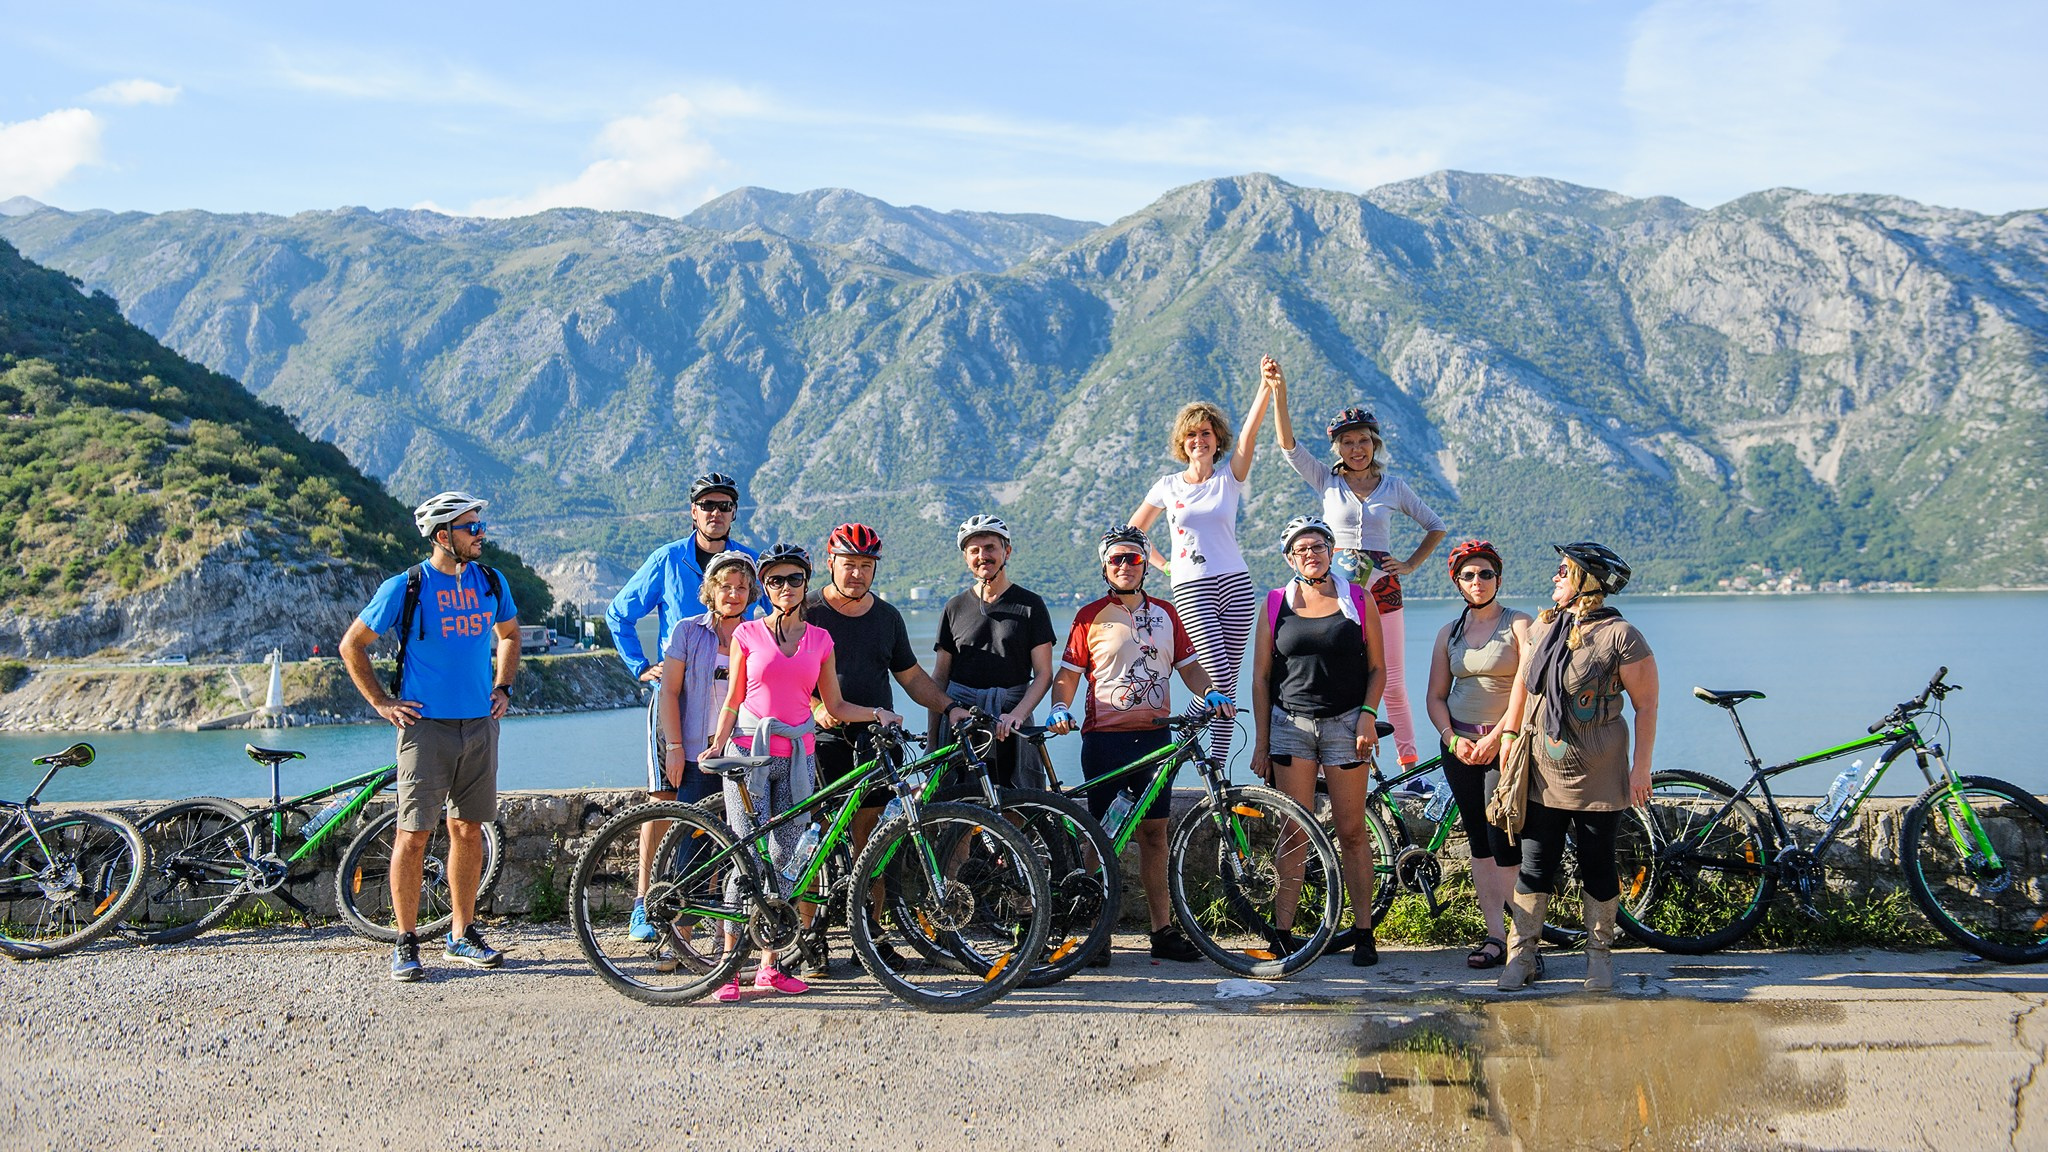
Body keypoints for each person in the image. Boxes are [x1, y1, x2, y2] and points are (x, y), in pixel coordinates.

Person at [704, 544, 903, 1001]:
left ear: (805, 583)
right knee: (746, 861)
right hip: (749, 756)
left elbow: (833, 706)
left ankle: (769, 968)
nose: (786, 587)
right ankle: (729, 967)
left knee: (789, 861)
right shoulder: (747, 635)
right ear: (765, 586)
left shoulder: (820, 640)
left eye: (794, 579)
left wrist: (877, 713)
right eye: (775, 580)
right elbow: (733, 699)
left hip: (798, 756)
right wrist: (717, 743)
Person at [339, 491, 519, 982]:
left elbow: (510, 634)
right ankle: (406, 940)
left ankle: (462, 935)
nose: (480, 534)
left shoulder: (490, 580)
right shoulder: (407, 586)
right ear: (443, 536)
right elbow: (352, 645)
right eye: (470, 527)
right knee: (413, 834)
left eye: (480, 525)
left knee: (467, 830)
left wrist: (503, 686)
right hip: (425, 729)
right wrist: (381, 702)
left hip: (479, 726)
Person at [1047, 525, 1235, 964]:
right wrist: (1059, 706)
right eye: (1117, 559)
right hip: (1104, 740)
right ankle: (1097, 932)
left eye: (1134, 558)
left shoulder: (1168, 613)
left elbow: (1189, 667)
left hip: (1155, 739)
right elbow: (1070, 674)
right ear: (1104, 565)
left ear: (1146, 563)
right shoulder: (1089, 615)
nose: (1126, 566)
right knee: (1103, 836)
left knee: (1155, 835)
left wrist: (1210, 691)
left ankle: (1162, 932)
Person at [803, 523, 972, 978]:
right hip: (818, 742)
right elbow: (780, 671)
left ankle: (870, 937)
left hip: (875, 743)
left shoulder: (888, 618)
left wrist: (950, 707)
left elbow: (913, 678)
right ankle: (811, 938)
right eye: (849, 563)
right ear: (830, 561)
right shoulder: (808, 611)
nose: (857, 573)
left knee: (871, 842)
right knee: (810, 841)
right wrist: (816, 706)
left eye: (866, 565)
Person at [1494, 542, 1658, 993]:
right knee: (1535, 862)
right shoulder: (1545, 626)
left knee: (1597, 862)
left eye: (1564, 571)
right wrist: (1509, 737)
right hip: (1545, 766)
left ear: (1586, 580)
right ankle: (1522, 955)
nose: (1555, 578)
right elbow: (1525, 690)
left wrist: (1641, 768)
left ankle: (1599, 958)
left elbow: (1647, 706)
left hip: (1600, 769)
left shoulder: (1622, 635)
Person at [1269, 358, 1447, 767]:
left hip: (1384, 588)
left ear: (1374, 444)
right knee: (1343, 676)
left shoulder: (1394, 486)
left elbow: (1435, 526)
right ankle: (1342, 757)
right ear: (1339, 448)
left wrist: (1411, 563)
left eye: (1363, 441)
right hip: (1336, 590)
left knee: (1395, 681)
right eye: (1348, 443)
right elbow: (1288, 446)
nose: (1357, 449)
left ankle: (1408, 765)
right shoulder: (1326, 481)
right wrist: (1279, 393)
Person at [1249, 516, 1387, 966]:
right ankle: (1283, 934)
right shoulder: (1275, 603)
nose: (1311, 553)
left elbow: (1378, 669)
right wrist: (1262, 743)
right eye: (1301, 548)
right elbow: (1262, 678)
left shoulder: (1358, 599)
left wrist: (1368, 716)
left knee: (1351, 830)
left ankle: (1364, 932)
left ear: (1331, 551)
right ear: (1290, 557)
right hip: (1291, 726)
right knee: (1294, 832)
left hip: (1347, 724)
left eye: (1318, 546)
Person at [1126, 369, 1274, 771]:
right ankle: (1179, 746)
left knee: (1228, 682)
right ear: (1183, 443)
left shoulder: (1229, 479)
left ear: (1216, 439)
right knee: (1217, 680)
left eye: (1206, 433)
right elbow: (1132, 531)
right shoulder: (1168, 486)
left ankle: (1217, 769)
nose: (1199, 440)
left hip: (1237, 586)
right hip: (1191, 587)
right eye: (1192, 435)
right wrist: (1163, 565)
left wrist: (1265, 388)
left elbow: (1250, 435)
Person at [605, 472, 759, 830]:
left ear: (734, 513)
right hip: (676, 694)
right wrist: (641, 666)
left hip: (733, 698)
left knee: (726, 801)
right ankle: (647, 887)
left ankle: (712, 886)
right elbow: (618, 614)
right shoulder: (668, 559)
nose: (715, 513)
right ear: (694, 511)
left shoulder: (750, 563)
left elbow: (779, 613)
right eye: (707, 505)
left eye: (724, 506)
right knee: (664, 798)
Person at [625, 550, 762, 945]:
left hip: (740, 755)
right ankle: (680, 939)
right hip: (695, 756)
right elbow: (669, 691)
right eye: (725, 587)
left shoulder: (756, 635)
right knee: (692, 847)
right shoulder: (687, 631)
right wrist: (674, 746)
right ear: (710, 591)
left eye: (741, 588)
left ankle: (727, 942)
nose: (733, 595)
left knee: (739, 847)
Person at [1424, 540, 1533, 970]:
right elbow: (1435, 697)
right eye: (1468, 575)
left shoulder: (1519, 624)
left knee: (1505, 843)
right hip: (1460, 750)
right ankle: (1495, 937)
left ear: (1498, 579)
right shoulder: (1448, 633)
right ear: (1457, 582)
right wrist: (1452, 739)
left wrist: (1501, 735)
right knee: (1479, 844)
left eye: (1485, 573)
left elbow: (1527, 686)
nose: (1477, 581)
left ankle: (1525, 943)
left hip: (1504, 750)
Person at [932, 515, 1058, 788]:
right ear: (966, 557)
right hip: (961, 723)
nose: (982, 556)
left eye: (990, 548)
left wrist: (1018, 715)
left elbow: (1044, 673)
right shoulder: (954, 607)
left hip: (1010, 719)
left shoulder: (1030, 605)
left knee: (1016, 807)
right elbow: (940, 677)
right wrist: (933, 742)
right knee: (959, 811)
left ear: (1006, 551)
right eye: (974, 550)